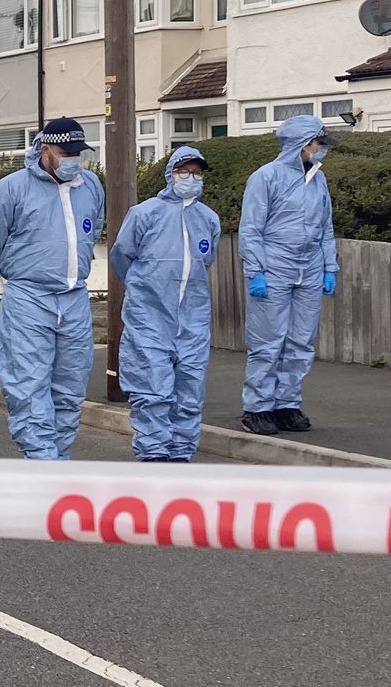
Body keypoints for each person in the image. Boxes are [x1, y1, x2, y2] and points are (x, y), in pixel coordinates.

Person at [0, 118, 105, 461]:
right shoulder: (11, 189)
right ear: (45, 149)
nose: (73, 160)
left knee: (70, 388)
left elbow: (91, 231)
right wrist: (24, 266)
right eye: (66, 153)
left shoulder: (89, 186)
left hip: (75, 298)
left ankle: (56, 464)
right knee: (28, 387)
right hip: (29, 300)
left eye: (79, 153)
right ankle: (42, 464)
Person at [109, 146, 220, 462]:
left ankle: (181, 457)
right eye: (184, 172)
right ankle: (154, 458)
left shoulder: (208, 219)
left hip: (193, 321)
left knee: (189, 395)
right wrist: (145, 289)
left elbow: (204, 261)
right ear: (170, 174)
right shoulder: (145, 213)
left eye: (197, 173)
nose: (191, 178)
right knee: (152, 391)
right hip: (150, 320)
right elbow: (121, 256)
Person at [238, 115, 337, 436]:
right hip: (273, 268)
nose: (321, 149)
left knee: (301, 341)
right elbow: (251, 228)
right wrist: (256, 271)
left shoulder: (318, 179)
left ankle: (286, 403)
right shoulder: (265, 178)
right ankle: (257, 407)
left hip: (308, 269)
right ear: (302, 143)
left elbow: (326, 228)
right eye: (318, 143)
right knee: (268, 342)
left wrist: (329, 266)